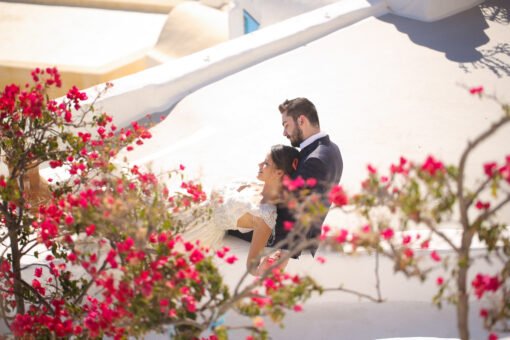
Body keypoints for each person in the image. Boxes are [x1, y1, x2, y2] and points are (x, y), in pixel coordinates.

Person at [229, 97, 343, 261]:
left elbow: (296, 213)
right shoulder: (331, 148)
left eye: (286, 125)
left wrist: (284, 254)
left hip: (282, 235)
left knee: (222, 219)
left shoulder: (314, 160)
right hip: (305, 233)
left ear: (301, 120)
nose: (284, 132)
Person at [180, 144, 300, 275]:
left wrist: (266, 268)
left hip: (196, 228)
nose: (259, 164)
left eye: (266, 163)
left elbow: (252, 267)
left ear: (279, 173)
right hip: (191, 205)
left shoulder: (266, 214)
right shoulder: (257, 184)